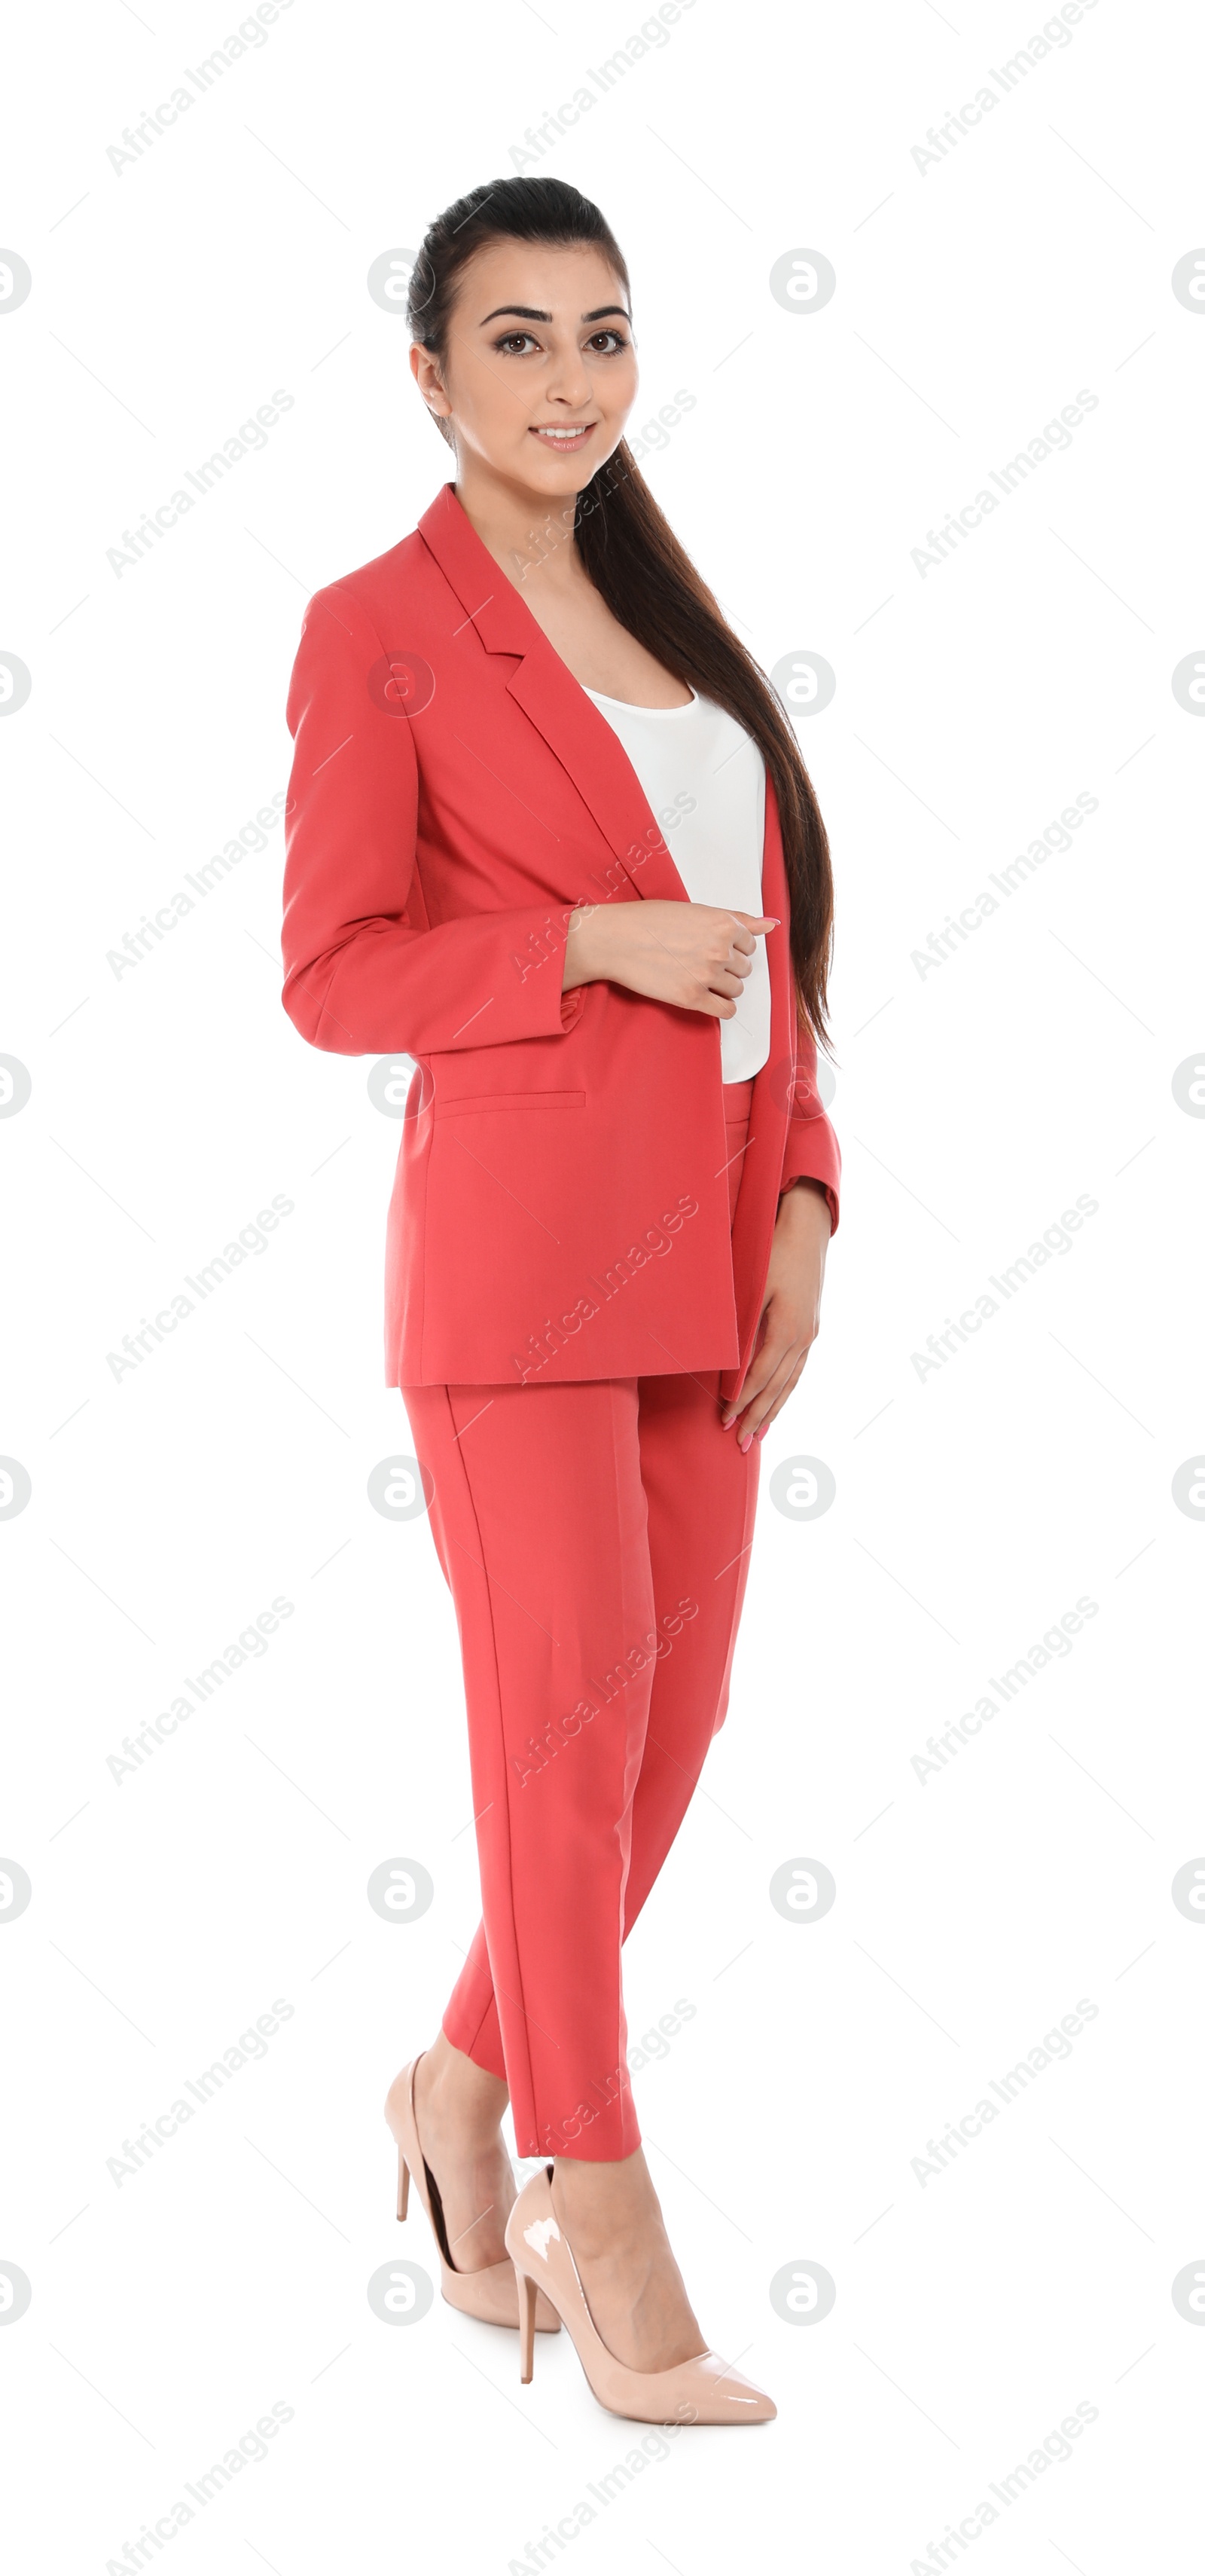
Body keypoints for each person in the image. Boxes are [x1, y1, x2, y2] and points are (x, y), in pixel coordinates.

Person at [281, 176, 840, 2425]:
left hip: (711, 1267)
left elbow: (775, 950)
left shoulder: (671, 625)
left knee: (666, 1731)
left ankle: (453, 2079)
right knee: (562, 1743)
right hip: (518, 1280)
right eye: (516, 340)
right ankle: (589, 2196)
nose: (569, 381)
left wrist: (804, 1193)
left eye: (602, 335)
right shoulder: (374, 626)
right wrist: (581, 948)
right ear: (430, 374)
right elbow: (331, 974)